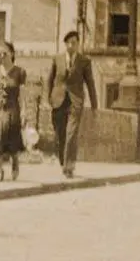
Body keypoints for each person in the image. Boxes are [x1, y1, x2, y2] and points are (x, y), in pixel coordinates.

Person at [46, 30, 98, 179]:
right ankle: (64, 162)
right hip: (58, 101)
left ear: (78, 44)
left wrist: (94, 105)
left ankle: (69, 166)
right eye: (68, 43)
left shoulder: (84, 61)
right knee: (60, 134)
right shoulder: (57, 59)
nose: (70, 45)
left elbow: (90, 83)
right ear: (65, 44)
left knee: (71, 133)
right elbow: (50, 80)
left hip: (75, 101)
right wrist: (48, 99)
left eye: (73, 43)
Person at [0, 42, 27, 182]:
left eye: (4, 53)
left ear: (12, 54)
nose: (1, 56)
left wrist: (24, 111)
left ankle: (15, 162)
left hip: (12, 110)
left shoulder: (20, 72)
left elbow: (22, 95)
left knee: (11, 140)